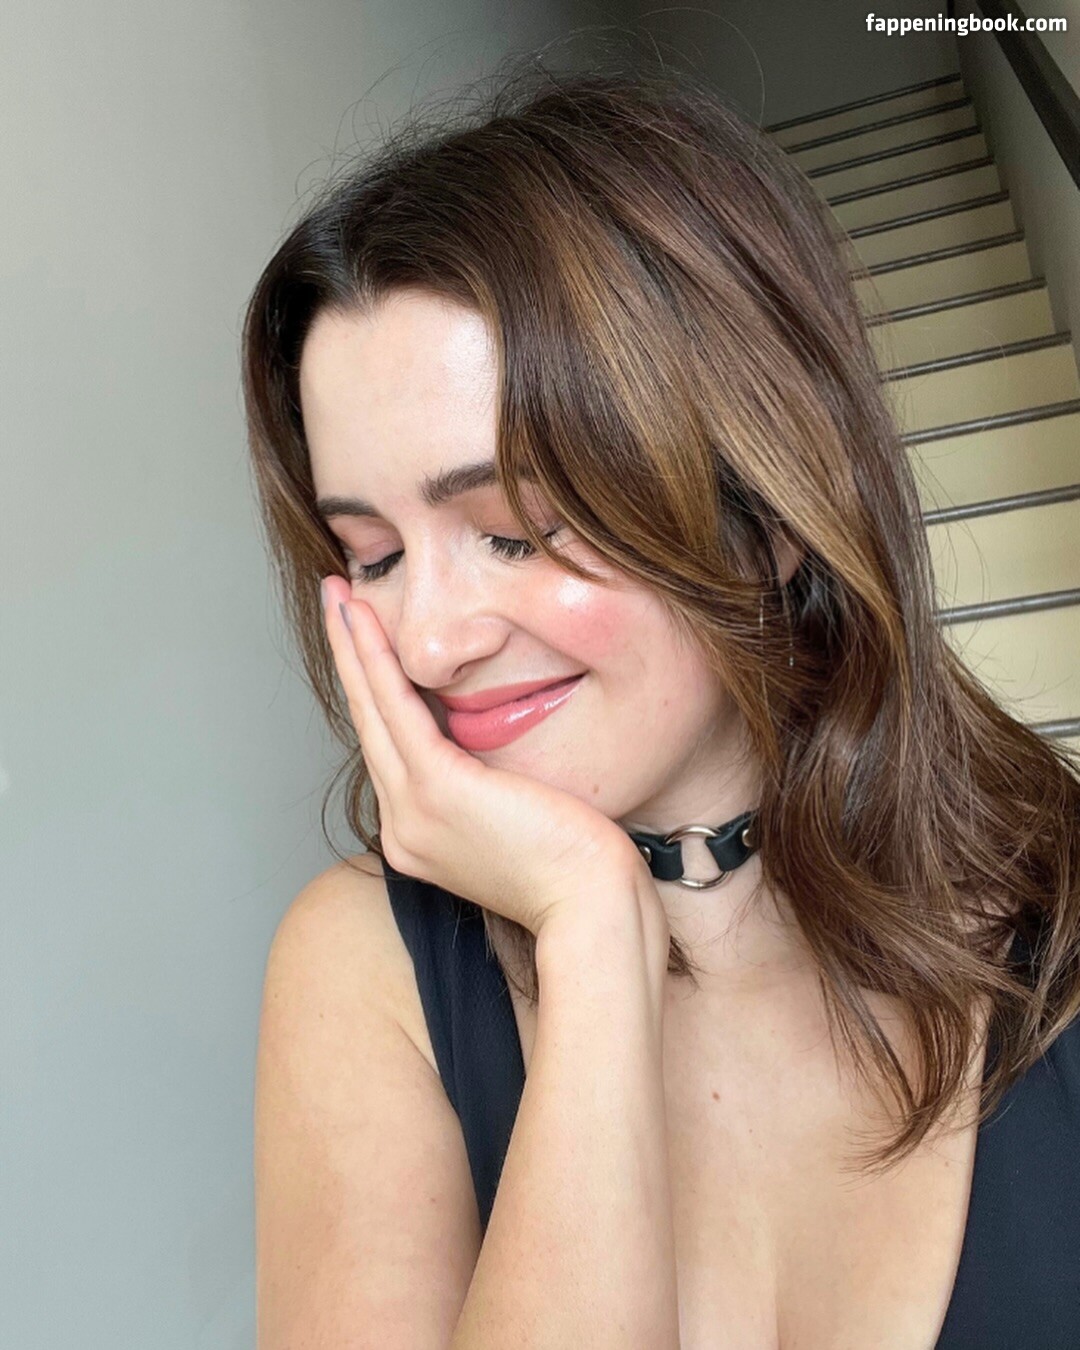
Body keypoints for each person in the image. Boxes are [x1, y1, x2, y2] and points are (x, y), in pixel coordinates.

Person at [244, 58, 1080, 1349]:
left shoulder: (1052, 907)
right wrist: (591, 936)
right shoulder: (361, 965)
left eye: (515, 530)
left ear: (770, 514)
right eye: (374, 553)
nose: (430, 640)